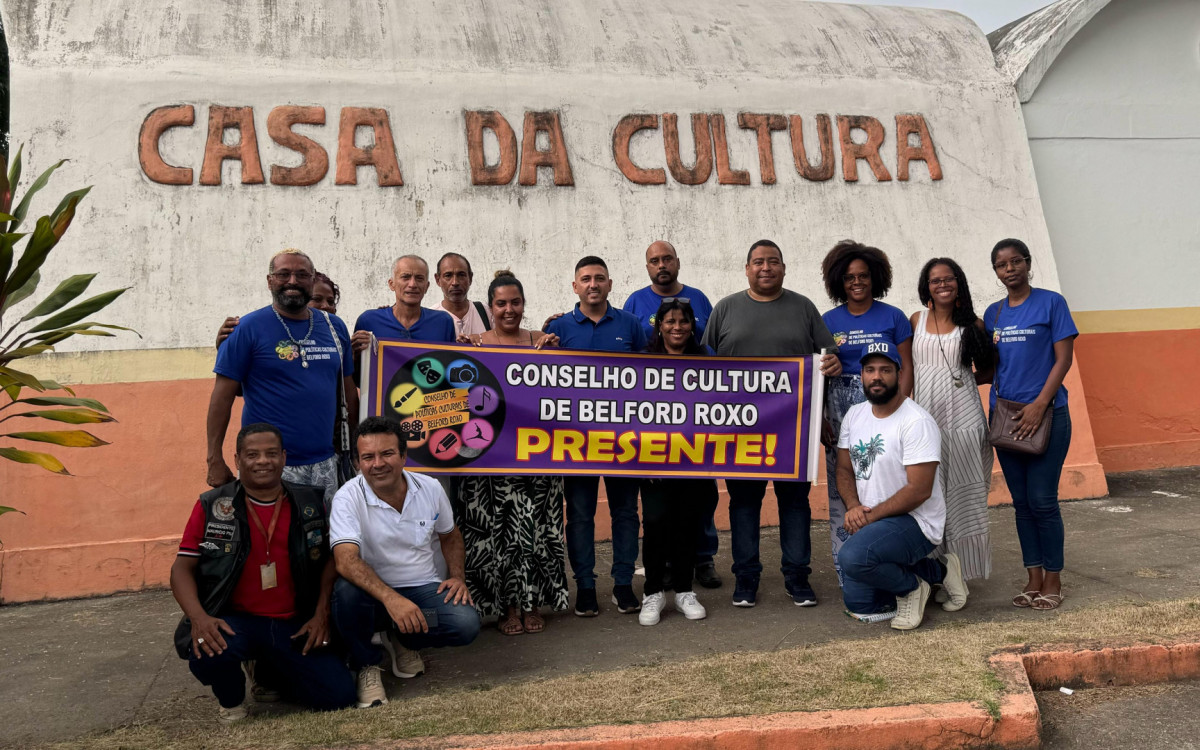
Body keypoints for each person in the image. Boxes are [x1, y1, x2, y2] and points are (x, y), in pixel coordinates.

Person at [171, 423, 354, 722]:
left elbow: (331, 560)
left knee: (339, 697)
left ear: (283, 457)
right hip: (237, 621)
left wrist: (321, 613)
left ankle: (271, 668)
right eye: (252, 454)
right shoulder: (212, 504)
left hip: (293, 622)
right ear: (238, 459)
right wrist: (199, 619)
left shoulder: (310, 500)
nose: (262, 461)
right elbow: (182, 567)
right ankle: (231, 702)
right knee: (208, 647)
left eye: (271, 453)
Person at [703, 239, 841, 609]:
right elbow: (703, 369)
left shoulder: (804, 307)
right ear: (746, 269)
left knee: (794, 504)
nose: (766, 267)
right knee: (744, 505)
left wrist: (829, 378)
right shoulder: (726, 309)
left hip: (792, 429)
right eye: (758, 262)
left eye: (774, 261)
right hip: (737, 430)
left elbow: (827, 361)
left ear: (784, 267)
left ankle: (797, 576)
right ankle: (746, 577)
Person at [330, 417, 480, 709]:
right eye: (368, 457)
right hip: (372, 597)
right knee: (345, 595)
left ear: (403, 455)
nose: (378, 464)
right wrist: (391, 599)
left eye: (386, 453)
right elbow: (346, 561)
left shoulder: (431, 488)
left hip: (422, 590)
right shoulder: (347, 497)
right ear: (358, 462)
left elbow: (450, 536)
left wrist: (457, 577)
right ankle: (367, 664)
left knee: (464, 623)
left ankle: (405, 639)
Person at [457, 272, 567, 635]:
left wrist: (556, 357)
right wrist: (459, 354)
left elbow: (564, 394)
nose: (509, 310)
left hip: (536, 458)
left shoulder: (543, 343)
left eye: (515, 302)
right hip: (487, 459)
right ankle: (506, 608)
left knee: (535, 531)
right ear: (490, 307)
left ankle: (533, 603)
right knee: (495, 534)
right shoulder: (472, 343)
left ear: (524, 304)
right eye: (501, 303)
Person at [207, 249, 358, 506]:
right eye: (283, 274)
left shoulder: (335, 327)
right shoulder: (246, 328)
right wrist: (214, 458)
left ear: (312, 279)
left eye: (302, 274)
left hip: (325, 465)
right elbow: (221, 399)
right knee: (268, 542)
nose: (292, 281)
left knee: (322, 542)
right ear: (270, 281)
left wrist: (354, 450)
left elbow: (348, 395)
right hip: (268, 468)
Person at [834, 341, 968, 630]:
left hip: (916, 521)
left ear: (899, 373)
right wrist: (854, 506)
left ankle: (912, 588)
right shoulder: (855, 415)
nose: (877, 377)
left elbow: (919, 491)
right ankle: (939, 570)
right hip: (874, 519)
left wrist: (868, 517)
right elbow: (844, 469)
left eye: (885, 369)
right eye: (870, 370)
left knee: (854, 557)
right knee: (860, 603)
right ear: (862, 375)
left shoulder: (916, 421)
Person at [545, 256, 648, 617]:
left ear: (609, 284)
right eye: (585, 279)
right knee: (580, 515)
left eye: (599, 278)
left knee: (625, 513)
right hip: (575, 441)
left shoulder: (631, 325)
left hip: (624, 439)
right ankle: (585, 587)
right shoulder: (558, 329)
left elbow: (654, 376)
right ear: (575, 286)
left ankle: (623, 584)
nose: (592, 284)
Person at [984, 238, 1078, 612]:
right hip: (1005, 419)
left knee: (1042, 501)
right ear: (996, 272)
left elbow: (1063, 360)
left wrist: (1041, 404)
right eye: (1001, 265)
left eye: (1016, 261)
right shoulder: (992, 314)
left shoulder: (1051, 303)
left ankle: (1053, 579)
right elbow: (991, 368)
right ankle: (1033, 578)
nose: (1010, 269)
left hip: (1047, 414)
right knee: (1021, 504)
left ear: (1027, 263)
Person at [622, 241, 721, 590]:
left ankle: (703, 558)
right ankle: (662, 565)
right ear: (646, 266)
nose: (661, 264)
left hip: (697, 431)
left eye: (667, 259)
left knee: (702, 498)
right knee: (660, 511)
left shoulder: (700, 298)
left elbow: (718, 359)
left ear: (678, 262)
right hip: (655, 429)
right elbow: (629, 365)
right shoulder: (634, 302)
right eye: (654, 260)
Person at [819, 240, 913, 588]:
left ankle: (893, 564)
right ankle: (851, 574)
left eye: (862, 276)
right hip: (839, 407)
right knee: (842, 490)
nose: (856, 282)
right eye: (848, 278)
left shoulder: (894, 317)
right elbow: (819, 374)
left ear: (875, 277)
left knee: (886, 483)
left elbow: (906, 369)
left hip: (883, 402)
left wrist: (900, 411)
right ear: (837, 282)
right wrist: (821, 420)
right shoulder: (827, 320)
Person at [910, 258, 995, 587]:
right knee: (928, 496)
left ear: (959, 283)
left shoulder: (972, 324)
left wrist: (960, 379)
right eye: (935, 280)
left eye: (949, 279)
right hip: (925, 421)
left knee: (963, 497)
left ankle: (963, 573)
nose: (942, 285)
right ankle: (933, 574)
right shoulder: (916, 320)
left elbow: (987, 369)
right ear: (926, 286)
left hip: (964, 419)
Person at [638, 298, 714, 626]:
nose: (677, 327)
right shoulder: (643, 362)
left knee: (687, 523)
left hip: (694, 459)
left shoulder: (707, 360)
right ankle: (653, 592)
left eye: (683, 321)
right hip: (653, 461)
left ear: (692, 325)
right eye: (669, 322)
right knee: (655, 522)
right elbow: (629, 410)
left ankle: (684, 590)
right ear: (659, 326)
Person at [351, 254, 456, 355]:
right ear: (392, 284)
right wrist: (353, 354)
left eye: (419, 278)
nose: (412, 284)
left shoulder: (443, 322)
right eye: (405, 277)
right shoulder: (369, 321)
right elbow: (355, 368)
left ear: (426, 286)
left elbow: (450, 365)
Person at [213, 271, 342, 347]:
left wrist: (355, 356)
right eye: (316, 299)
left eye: (330, 301)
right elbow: (240, 387)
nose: (325, 306)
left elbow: (346, 384)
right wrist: (226, 346)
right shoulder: (262, 331)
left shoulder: (337, 333)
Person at [435, 252, 493, 337]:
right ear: (438, 280)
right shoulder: (430, 319)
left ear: (470, 278)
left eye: (461, 275)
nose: (455, 282)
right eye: (448, 275)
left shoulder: (487, 313)